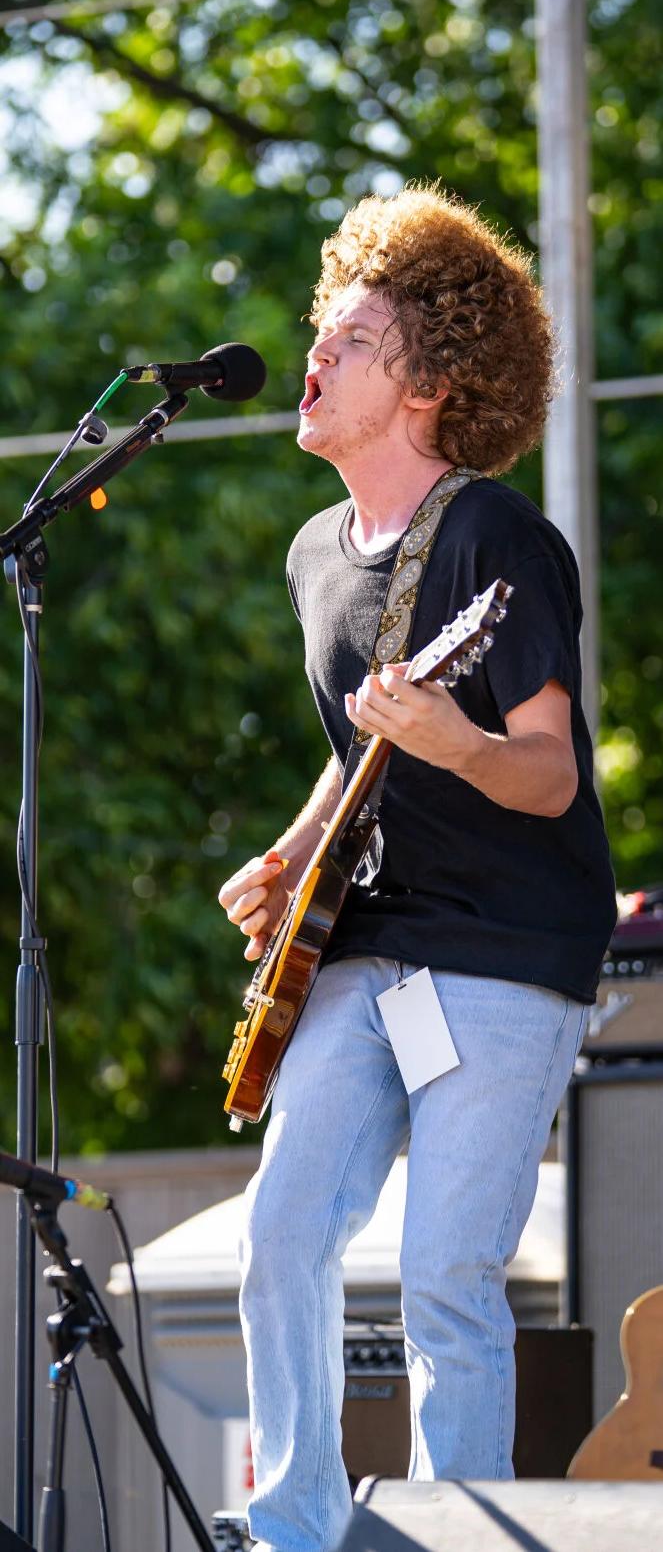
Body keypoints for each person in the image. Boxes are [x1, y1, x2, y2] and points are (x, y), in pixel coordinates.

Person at [218, 184, 616, 1552]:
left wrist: (459, 741)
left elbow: (548, 772)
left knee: (447, 1276)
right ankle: (294, 1530)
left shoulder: (500, 540)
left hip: (505, 952)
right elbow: (358, 746)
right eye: (319, 334)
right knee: (282, 1235)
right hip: (367, 943)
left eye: (353, 340)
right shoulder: (314, 557)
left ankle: (459, 1535)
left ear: (432, 384)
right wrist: (290, 856)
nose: (314, 356)